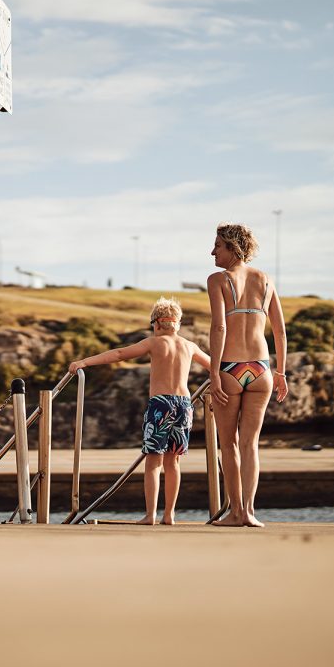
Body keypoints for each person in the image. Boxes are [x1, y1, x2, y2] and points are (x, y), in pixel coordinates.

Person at [68, 297, 209, 525]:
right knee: (173, 463)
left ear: (155, 323)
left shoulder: (154, 342)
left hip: (161, 404)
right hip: (184, 404)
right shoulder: (189, 346)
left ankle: (151, 515)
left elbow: (120, 354)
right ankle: (169, 514)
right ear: (178, 323)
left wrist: (84, 362)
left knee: (154, 462)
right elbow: (215, 366)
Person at [207, 223, 288, 527]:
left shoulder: (218, 280)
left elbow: (219, 327)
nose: (212, 251)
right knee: (250, 444)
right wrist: (281, 372)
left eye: (217, 245)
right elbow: (279, 330)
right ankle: (250, 513)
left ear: (232, 247)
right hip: (261, 369)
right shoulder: (265, 280)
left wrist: (214, 373)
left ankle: (236, 512)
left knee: (228, 444)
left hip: (230, 367)